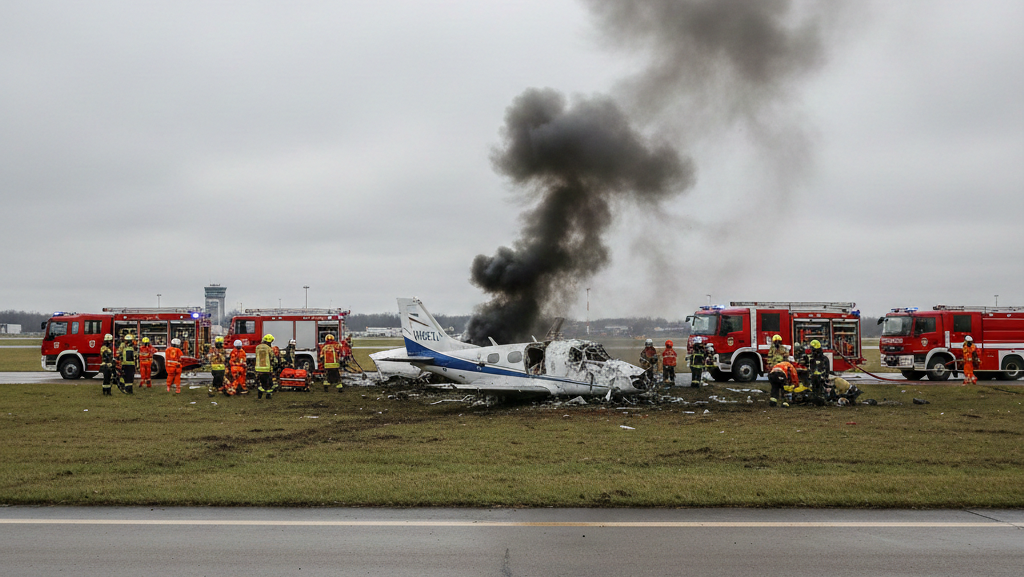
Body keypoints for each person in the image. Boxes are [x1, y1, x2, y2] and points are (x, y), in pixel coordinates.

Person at [255, 334, 276, 399]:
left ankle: (259, 395)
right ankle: (268, 395)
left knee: (260, 383)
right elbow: (272, 358)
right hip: (266, 368)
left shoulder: (257, 347)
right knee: (268, 383)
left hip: (258, 368)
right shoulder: (268, 348)